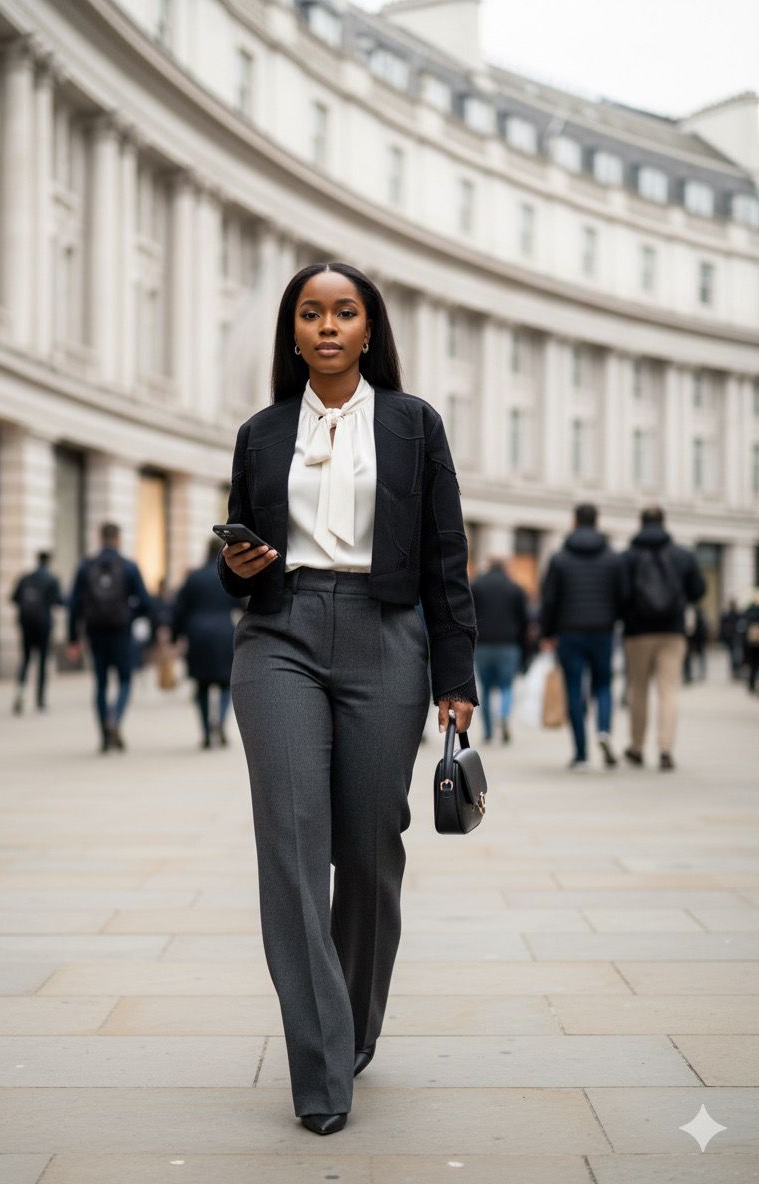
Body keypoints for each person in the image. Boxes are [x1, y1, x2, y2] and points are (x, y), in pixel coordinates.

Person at [218, 262, 478, 1135]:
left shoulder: (412, 425)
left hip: (387, 633)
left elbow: (447, 556)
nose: (328, 326)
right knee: (294, 844)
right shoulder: (260, 433)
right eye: (311, 313)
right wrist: (237, 562)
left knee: (370, 849)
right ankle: (322, 1065)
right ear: (292, 333)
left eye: (346, 312)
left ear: (370, 330)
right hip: (279, 635)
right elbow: (237, 553)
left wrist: (457, 679)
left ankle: (355, 1025)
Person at [620, 506, 706, 771]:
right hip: (672, 632)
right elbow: (699, 590)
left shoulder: (628, 556)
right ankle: (665, 749)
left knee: (638, 689)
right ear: (664, 523)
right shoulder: (682, 555)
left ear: (641, 523)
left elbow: (620, 594)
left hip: (637, 632)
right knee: (669, 690)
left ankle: (636, 747)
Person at [539, 504, 622, 771]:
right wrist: (614, 620)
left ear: (574, 522)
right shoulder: (611, 557)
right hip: (603, 631)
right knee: (604, 684)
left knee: (574, 688)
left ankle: (581, 754)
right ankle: (604, 730)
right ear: (597, 522)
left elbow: (549, 599)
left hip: (569, 631)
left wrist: (547, 632)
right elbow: (623, 594)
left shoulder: (560, 557)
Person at [67, 522, 151, 752]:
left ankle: (104, 734)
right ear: (118, 538)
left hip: (95, 631)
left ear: (99, 538)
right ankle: (115, 717)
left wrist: (73, 638)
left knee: (101, 683)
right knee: (125, 679)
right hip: (121, 631)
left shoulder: (86, 566)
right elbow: (146, 602)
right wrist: (130, 615)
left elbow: (73, 604)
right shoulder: (128, 566)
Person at [172, 537, 245, 748]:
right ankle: (220, 721)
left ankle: (205, 733)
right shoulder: (228, 577)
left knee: (201, 685)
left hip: (197, 635)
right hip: (223, 633)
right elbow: (243, 605)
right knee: (224, 684)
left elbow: (179, 609)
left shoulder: (193, 577)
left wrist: (177, 636)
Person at [470, 558, 528, 744]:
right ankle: (503, 715)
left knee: (485, 689)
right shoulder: (515, 588)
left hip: (483, 643)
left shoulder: (476, 586)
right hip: (508, 644)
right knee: (506, 685)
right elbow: (524, 620)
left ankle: (488, 731)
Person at [11, 550, 64, 714]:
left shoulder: (26, 578)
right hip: (44, 624)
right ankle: (40, 700)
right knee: (42, 661)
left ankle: (20, 692)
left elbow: (14, 598)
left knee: (26, 659)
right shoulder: (51, 579)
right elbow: (59, 601)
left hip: (26, 624)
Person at [682, 604, 708, 684]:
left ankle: (701, 672)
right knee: (686, 657)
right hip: (686, 637)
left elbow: (702, 626)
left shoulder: (697, 611)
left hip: (698, 638)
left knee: (700, 655)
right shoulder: (683, 610)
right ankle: (688, 675)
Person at [719, 599, 743, 680]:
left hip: (735, 638)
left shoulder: (736, 614)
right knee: (733, 655)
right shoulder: (728, 615)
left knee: (736, 655)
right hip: (731, 638)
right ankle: (735, 671)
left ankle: (736, 671)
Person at [741, 591, 759, 694]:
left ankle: (751, 684)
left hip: (750, 643)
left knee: (752, 664)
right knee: (754, 664)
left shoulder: (748, 612)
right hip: (753, 643)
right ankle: (752, 684)